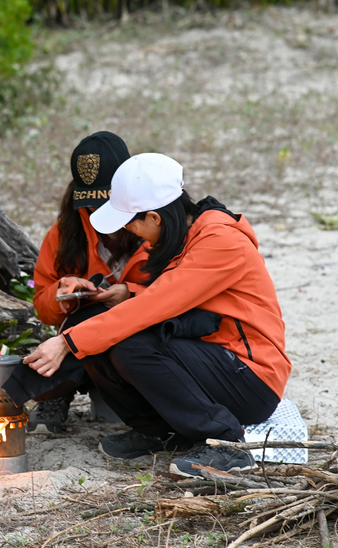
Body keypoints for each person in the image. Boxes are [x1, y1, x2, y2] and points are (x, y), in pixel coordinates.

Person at [22, 153, 291, 476]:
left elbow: (152, 308)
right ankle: (159, 431)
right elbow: (166, 302)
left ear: (154, 217)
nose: (130, 231)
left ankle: (227, 443)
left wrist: (66, 342)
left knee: (130, 342)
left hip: (251, 378)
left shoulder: (220, 241)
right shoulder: (185, 236)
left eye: (131, 222)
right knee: (106, 335)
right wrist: (117, 300)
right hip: (210, 356)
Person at [27, 131, 150, 433]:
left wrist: (129, 293)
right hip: (83, 342)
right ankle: (57, 394)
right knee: (80, 321)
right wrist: (63, 294)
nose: (96, 211)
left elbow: (179, 293)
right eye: (89, 201)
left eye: (106, 200)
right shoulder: (64, 232)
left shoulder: (155, 222)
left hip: (143, 336)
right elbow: (43, 307)